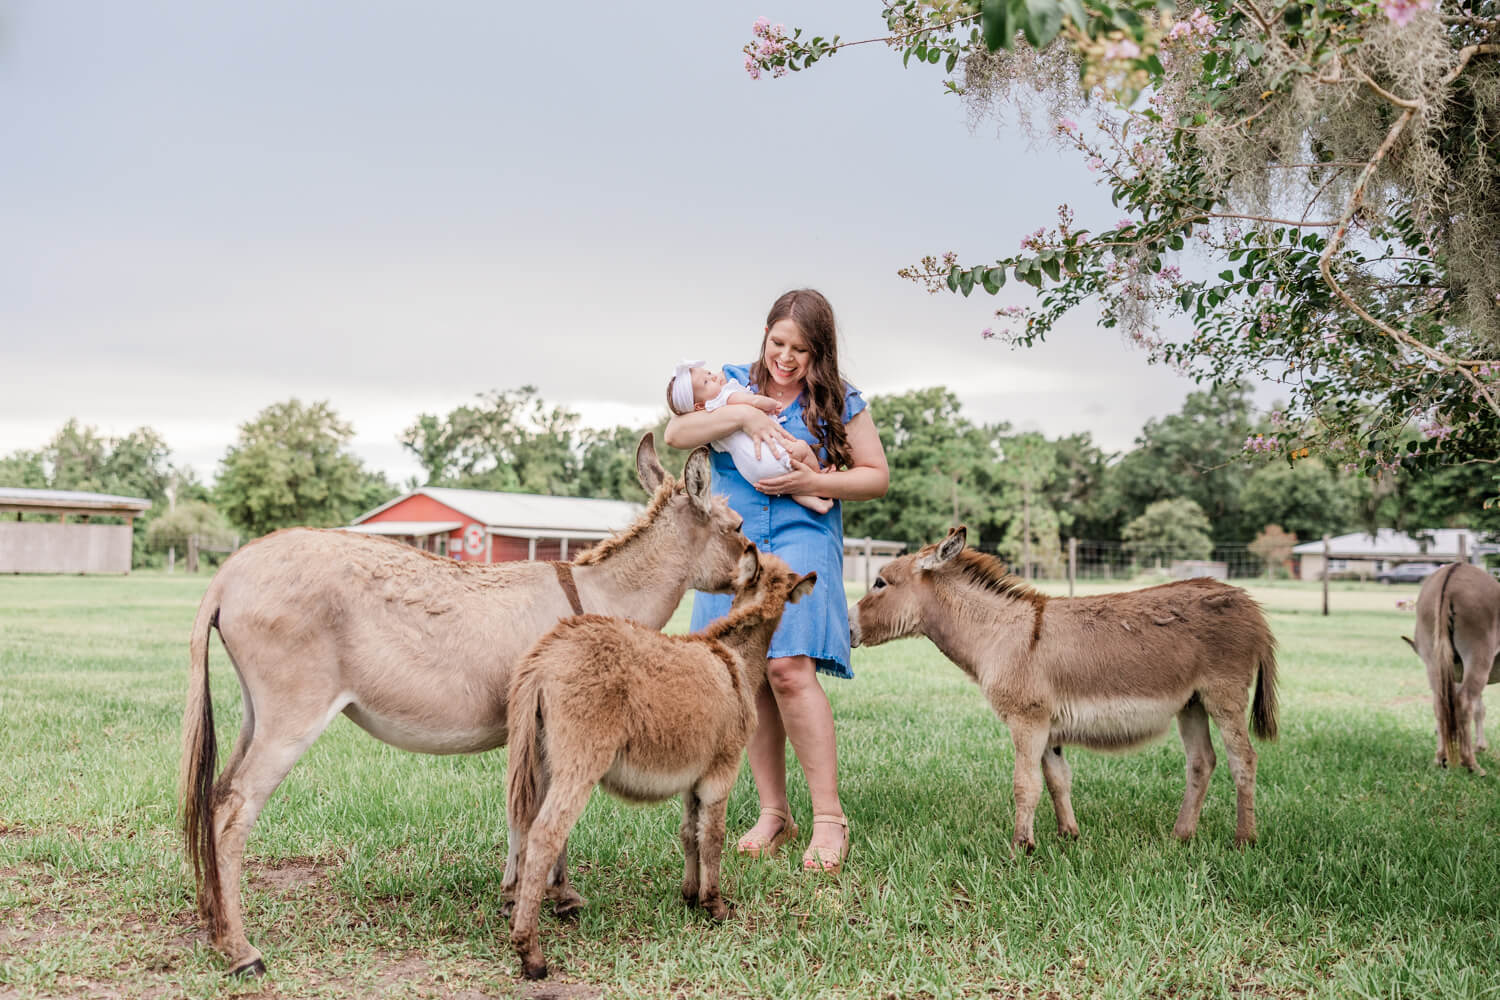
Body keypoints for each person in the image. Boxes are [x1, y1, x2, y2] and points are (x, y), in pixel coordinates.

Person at [664, 288, 890, 873]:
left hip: (801, 533)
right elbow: (676, 436)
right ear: (764, 336)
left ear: (822, 351)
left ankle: (829, 819)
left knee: (789, 669)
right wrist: (740, 414)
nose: (787, 358)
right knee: (747, 675)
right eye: (778, 344)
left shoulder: (842, 400)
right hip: (733, 544)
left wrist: (807, 485)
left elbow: (874, 478)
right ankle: (773, 814)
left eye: (802, 350)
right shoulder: (727, 384)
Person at [665, 360, 833, 514]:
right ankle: (816, 479)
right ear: (700, 405)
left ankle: (803, 495)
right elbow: (755, 402)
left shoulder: (711, 425)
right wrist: (772, 405)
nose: (714, 376)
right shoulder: (726, 397)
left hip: (753, 474)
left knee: (791, 483)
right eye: (707, 382)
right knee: (802, 448)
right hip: (768, 458)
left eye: (709, 373)